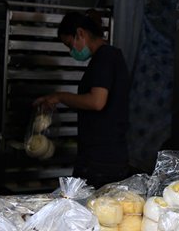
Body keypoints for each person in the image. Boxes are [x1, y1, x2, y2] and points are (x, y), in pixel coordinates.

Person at [34, 10, 131, 188]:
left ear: (80, 33)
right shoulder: (105, 58)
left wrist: (60, 97)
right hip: (100, 155)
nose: (72, 51)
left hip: (102, 159)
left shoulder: (105, 58)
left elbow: (96, 102)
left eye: (70, 45)